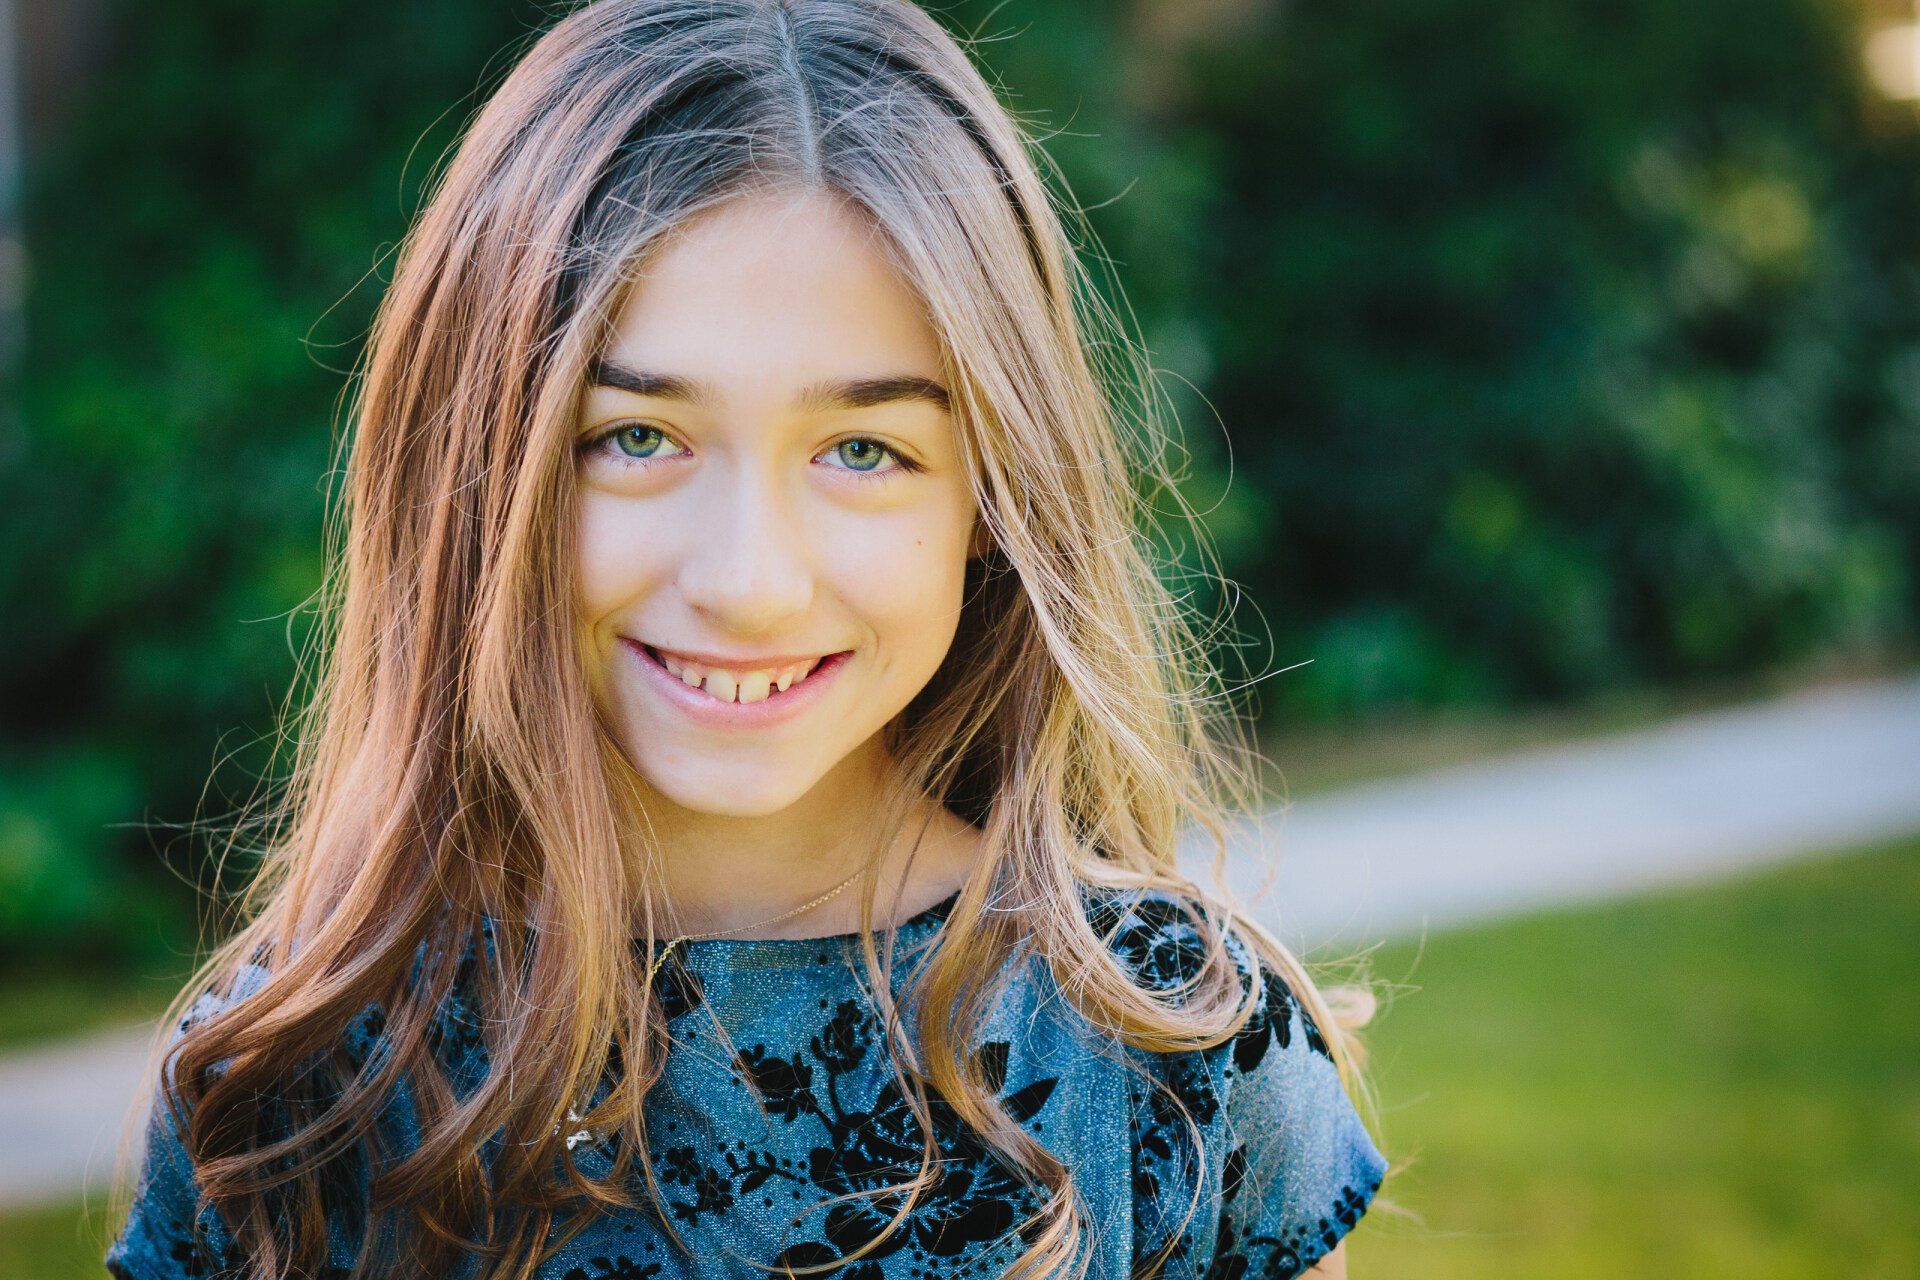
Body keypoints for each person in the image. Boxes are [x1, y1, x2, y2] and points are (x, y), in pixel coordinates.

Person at [104, 2, 1389, 1277]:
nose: (750, 583)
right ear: (479, 472)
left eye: (864, 450)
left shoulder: (1179, 1048)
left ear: (992, 498)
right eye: (638, 438)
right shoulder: (287, 1093)